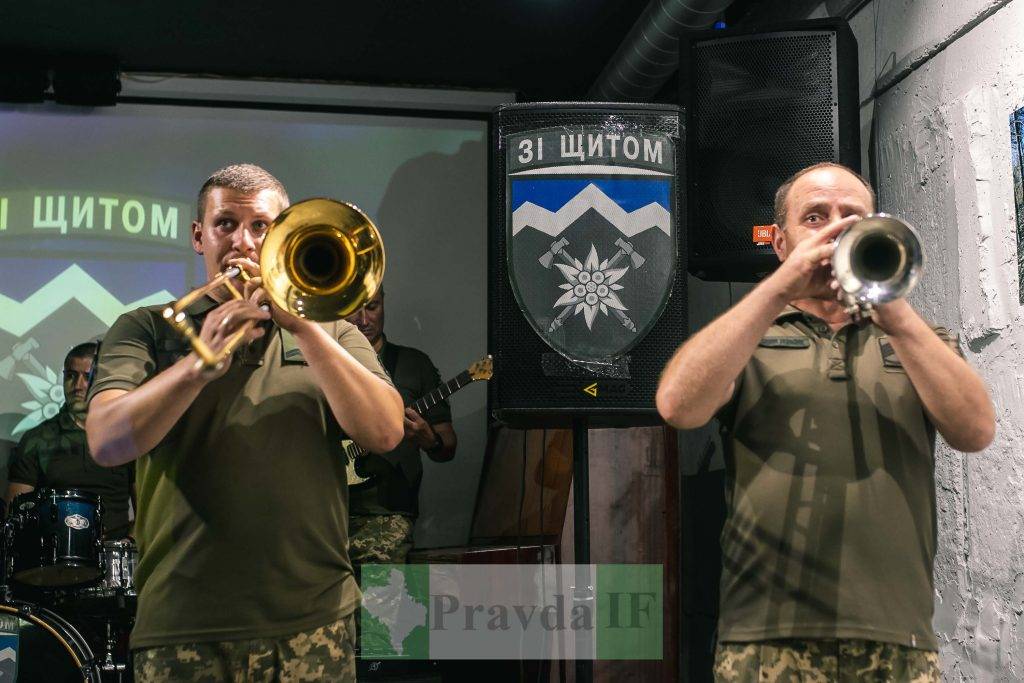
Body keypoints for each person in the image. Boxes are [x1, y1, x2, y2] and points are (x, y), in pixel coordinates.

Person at [656, 162, 995, 682]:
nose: (835, 230)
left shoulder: (915, 340)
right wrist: (779, 289)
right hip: (764, 641)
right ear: (779, 241)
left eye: (851, 217)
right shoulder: (748, 336)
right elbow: (678, 407)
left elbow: (975, 432)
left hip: (899, 639)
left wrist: (893, 310)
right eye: (815, 217)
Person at [85, 164, 404, 682]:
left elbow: (386, 432)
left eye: (260, 226)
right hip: (182, 628)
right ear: (198, 236)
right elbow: (105, 441)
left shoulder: (333, 331)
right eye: (225, 224)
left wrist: (304, 326)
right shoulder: (144, 328)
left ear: (283, 235)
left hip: (313, 621)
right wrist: (198, 365)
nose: (243, 242)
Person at [344, 286, 456, 566]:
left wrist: (428, 439)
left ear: (383, 305)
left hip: (388, 516)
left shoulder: (414, 364)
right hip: (326, 515)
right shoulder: (322, 364)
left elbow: (448, 446)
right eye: (354, 310)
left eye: (373, 307)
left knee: (385, 608)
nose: (364, 320)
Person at [6, 341, 135, 540]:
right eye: (71, 376)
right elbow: (15, 517)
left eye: (87, 376)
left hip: (117, 558)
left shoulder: (126, 436)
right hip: (55, 558)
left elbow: (147, 509)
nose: (78, 385)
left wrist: (131, 543)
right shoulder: (36, 439)